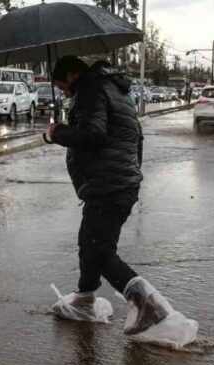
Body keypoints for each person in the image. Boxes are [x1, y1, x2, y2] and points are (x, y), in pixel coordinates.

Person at [46, 55, 169, 335]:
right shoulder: (115, 89)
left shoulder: (91, 89)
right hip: (117, 183)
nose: (65, 93)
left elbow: (93, 134)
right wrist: (130, 174)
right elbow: (137, 137)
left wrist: (57, 132)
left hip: (108, 186)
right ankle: (85, 298)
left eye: (62, 87)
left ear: (72, 75)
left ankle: (148, 305)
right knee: (89, 243)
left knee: (100, 252)